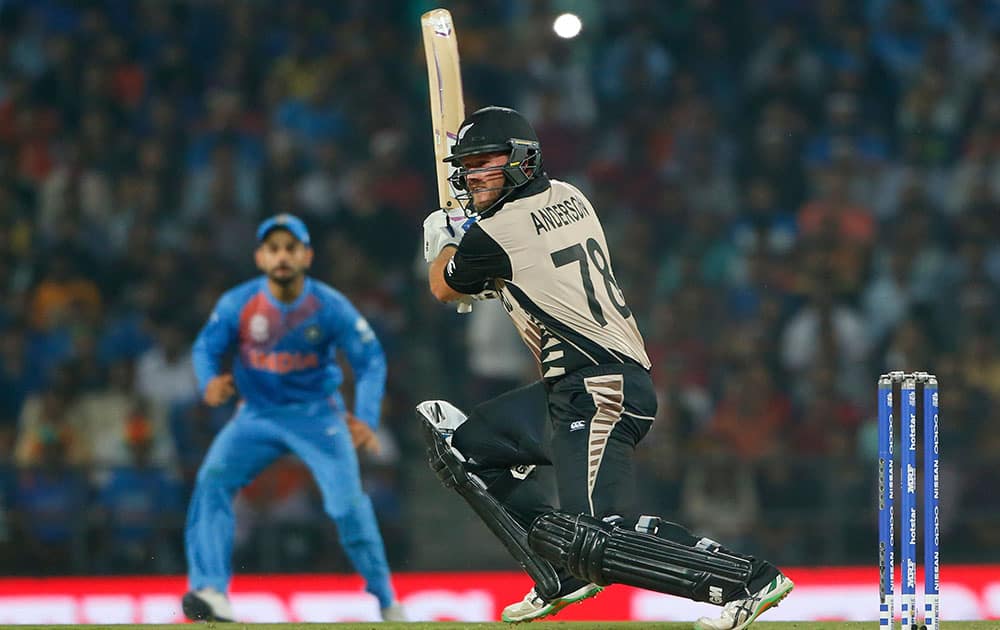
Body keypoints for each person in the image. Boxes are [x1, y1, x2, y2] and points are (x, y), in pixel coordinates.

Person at [419, 107, 793, 629]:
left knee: (601, 532)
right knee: (464, 452)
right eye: (469, 166)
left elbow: (444, 285)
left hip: (597, 385)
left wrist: (442, 240)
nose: (474, 177)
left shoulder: (494, 233)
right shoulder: (571, 196)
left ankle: (745, 579)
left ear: (522, 162)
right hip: (576, 384)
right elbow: (511, 273)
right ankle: (561, 572)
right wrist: (468, 244)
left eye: (487, 164)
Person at [182, 213, 406, 622]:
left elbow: (370, 359)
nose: (282, 256)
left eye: (291, 248)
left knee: (346, 507)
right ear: (259, 257)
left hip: (317, 418)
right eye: (274, 249)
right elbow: (205, 348)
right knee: (211, 482)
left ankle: (387, 600)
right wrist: (209, 380)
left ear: (307, 256)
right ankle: (210, 590)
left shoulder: (329, 306)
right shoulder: (239, 303)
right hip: (257, 416)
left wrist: (366, 417)